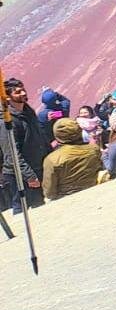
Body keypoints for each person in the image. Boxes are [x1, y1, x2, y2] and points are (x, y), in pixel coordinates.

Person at [3, 78, 45, 213]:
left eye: (23, 90)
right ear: (8, 97)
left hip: (36, 167)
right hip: (18, 175)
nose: (23, 93)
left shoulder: (28, 111)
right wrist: (29, 175)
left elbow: (40, 137)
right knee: (21, 211)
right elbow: (12, 153)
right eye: (17, 92)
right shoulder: (7, 120)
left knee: (41, 208)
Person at [41, 118, 105, 200]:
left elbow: (49, 193)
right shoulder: (94, 149)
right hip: (94, 192)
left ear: (57, 135)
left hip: (66, 199)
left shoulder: (51, 159)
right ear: (79, 131)